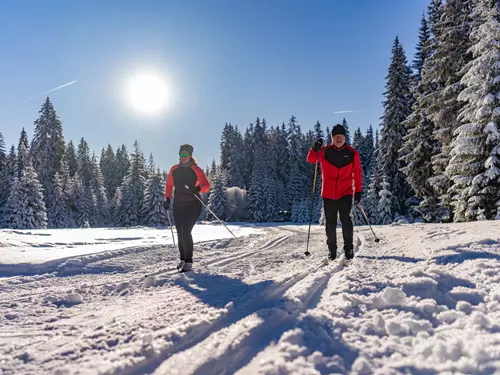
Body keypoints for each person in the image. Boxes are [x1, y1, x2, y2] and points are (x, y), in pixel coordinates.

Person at [307, 124, 362, 261]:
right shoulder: (325, 151)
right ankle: (332, 250)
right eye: (336, 136)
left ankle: (348, 248)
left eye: (341, 136)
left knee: (346, 220)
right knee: (330, 224)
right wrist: (315, 149)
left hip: (345, 192)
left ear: (345, 137)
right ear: (332, 138)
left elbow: (357, 173)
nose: (338, 139)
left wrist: (358, 191)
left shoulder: (352, 153)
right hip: (328, 194)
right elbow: (311, 159)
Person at [164, 144, 210, 272]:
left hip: (193, 205)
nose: (183, 157)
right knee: (179, 233)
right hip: (178, 205)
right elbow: (169, 185)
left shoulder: (196, 169)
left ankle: (189, 262)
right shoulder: (174, 169)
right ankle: (183, 259)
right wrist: (167, 199)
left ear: (190, 155)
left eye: (185, 155)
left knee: (185, 231)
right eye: (181, 155)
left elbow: (206, 186)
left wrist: (197, 188)